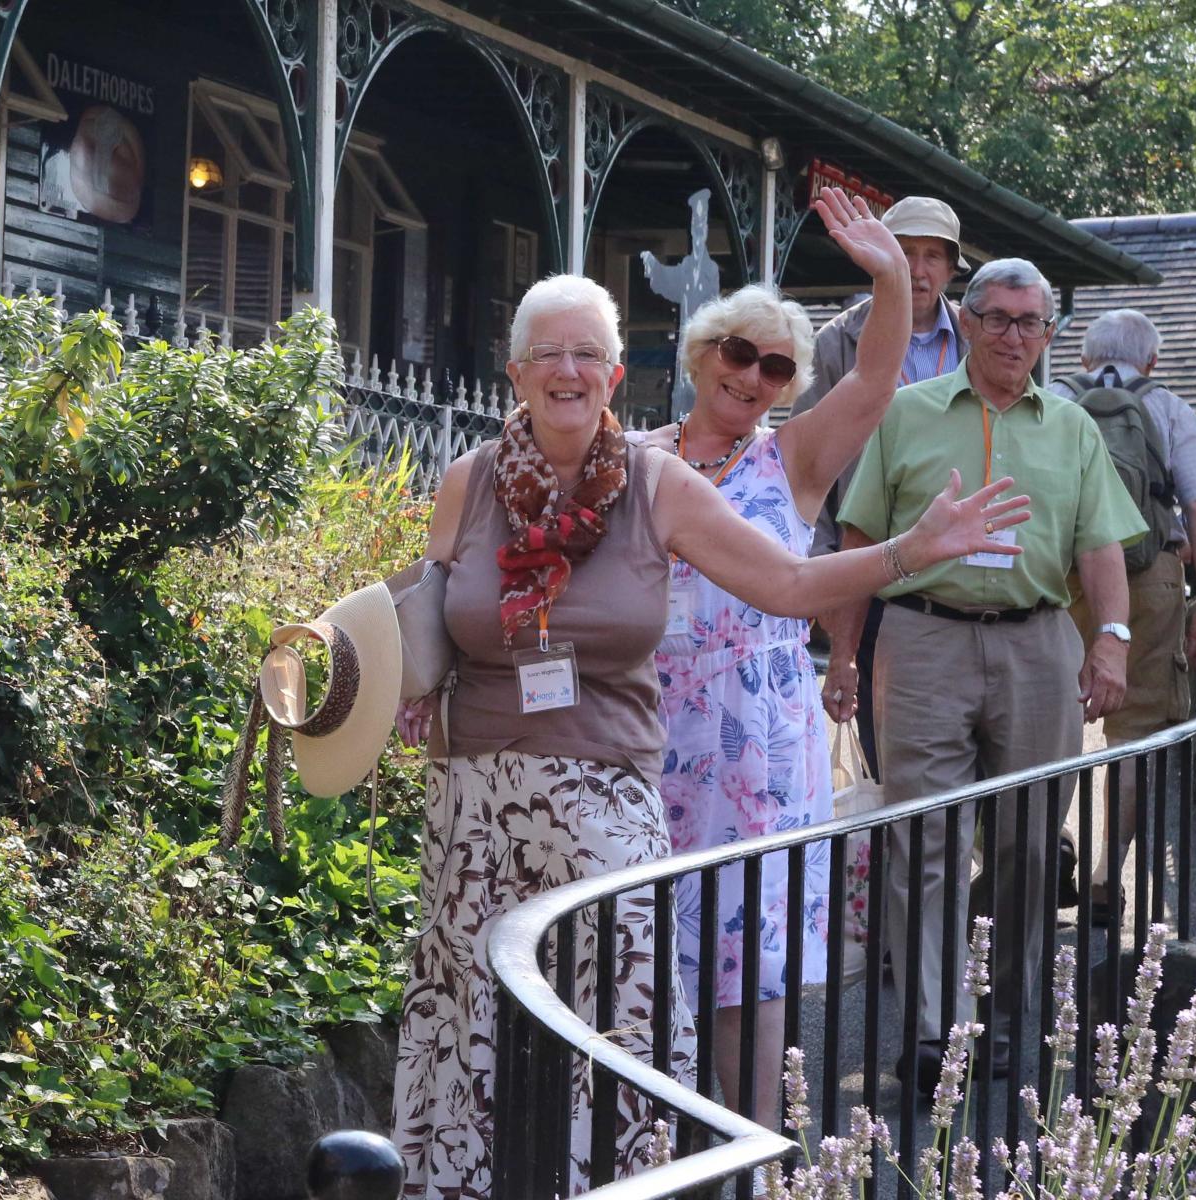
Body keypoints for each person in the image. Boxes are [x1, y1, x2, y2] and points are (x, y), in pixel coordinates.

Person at [388, 271, 1029, 1193]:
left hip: (605, 797)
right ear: (515, 373)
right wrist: (387, 681)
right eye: (549, 354)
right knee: (471, 1021)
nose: (568, 370)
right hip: (476, 807)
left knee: (618, 1026)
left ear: (614, 376)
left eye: (588, 355)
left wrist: (907, 552)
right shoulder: (468, 482)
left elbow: (789, 586)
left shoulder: (656, 484)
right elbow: (430, 607)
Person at [824, 257, 1147, 1096]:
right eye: (997, 318)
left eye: (1030, 322)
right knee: (923, 840)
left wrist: (1109, 640)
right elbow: (858, 543)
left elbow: (1101, 545)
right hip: (923, 642)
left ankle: (1008, 1023)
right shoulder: (906, 413)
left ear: (1049, 334)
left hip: (1038, 645)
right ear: (965, 324)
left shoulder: (1073, 428)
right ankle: (935, 1038)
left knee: (1030, 846)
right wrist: (847, 656)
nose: (1013, 335)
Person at [645, 186, 910, 1130]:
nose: (752, 376)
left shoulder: (789, 460)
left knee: (744, 959)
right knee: (648, 946)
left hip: (758, 736)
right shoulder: (634, 457)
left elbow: (875, 384)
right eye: (738, 353)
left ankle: (750, 1163)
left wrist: (888, 282)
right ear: (700, 352)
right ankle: (658, 1153)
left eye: (776, 367)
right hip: (652, 733)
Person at [1050, 309, 1196, 916]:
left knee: (1047, 726)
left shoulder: (1052, 400)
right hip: (1147, 577)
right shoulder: (1169, 408)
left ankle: (1043, 858)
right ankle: (1104, 878)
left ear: (1083, 357)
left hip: (1058, 579)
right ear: (1151, 361)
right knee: (1135, 734)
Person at [796, 196, 973, 769]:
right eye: (904, 253)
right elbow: (813, 459)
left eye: (932, 256)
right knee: (887, 738)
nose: (917, 270)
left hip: (963, 561)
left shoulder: (980, 336)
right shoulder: (836, 343)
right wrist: (821, 566)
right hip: (865, 550)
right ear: (879, 257)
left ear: (951, 268)